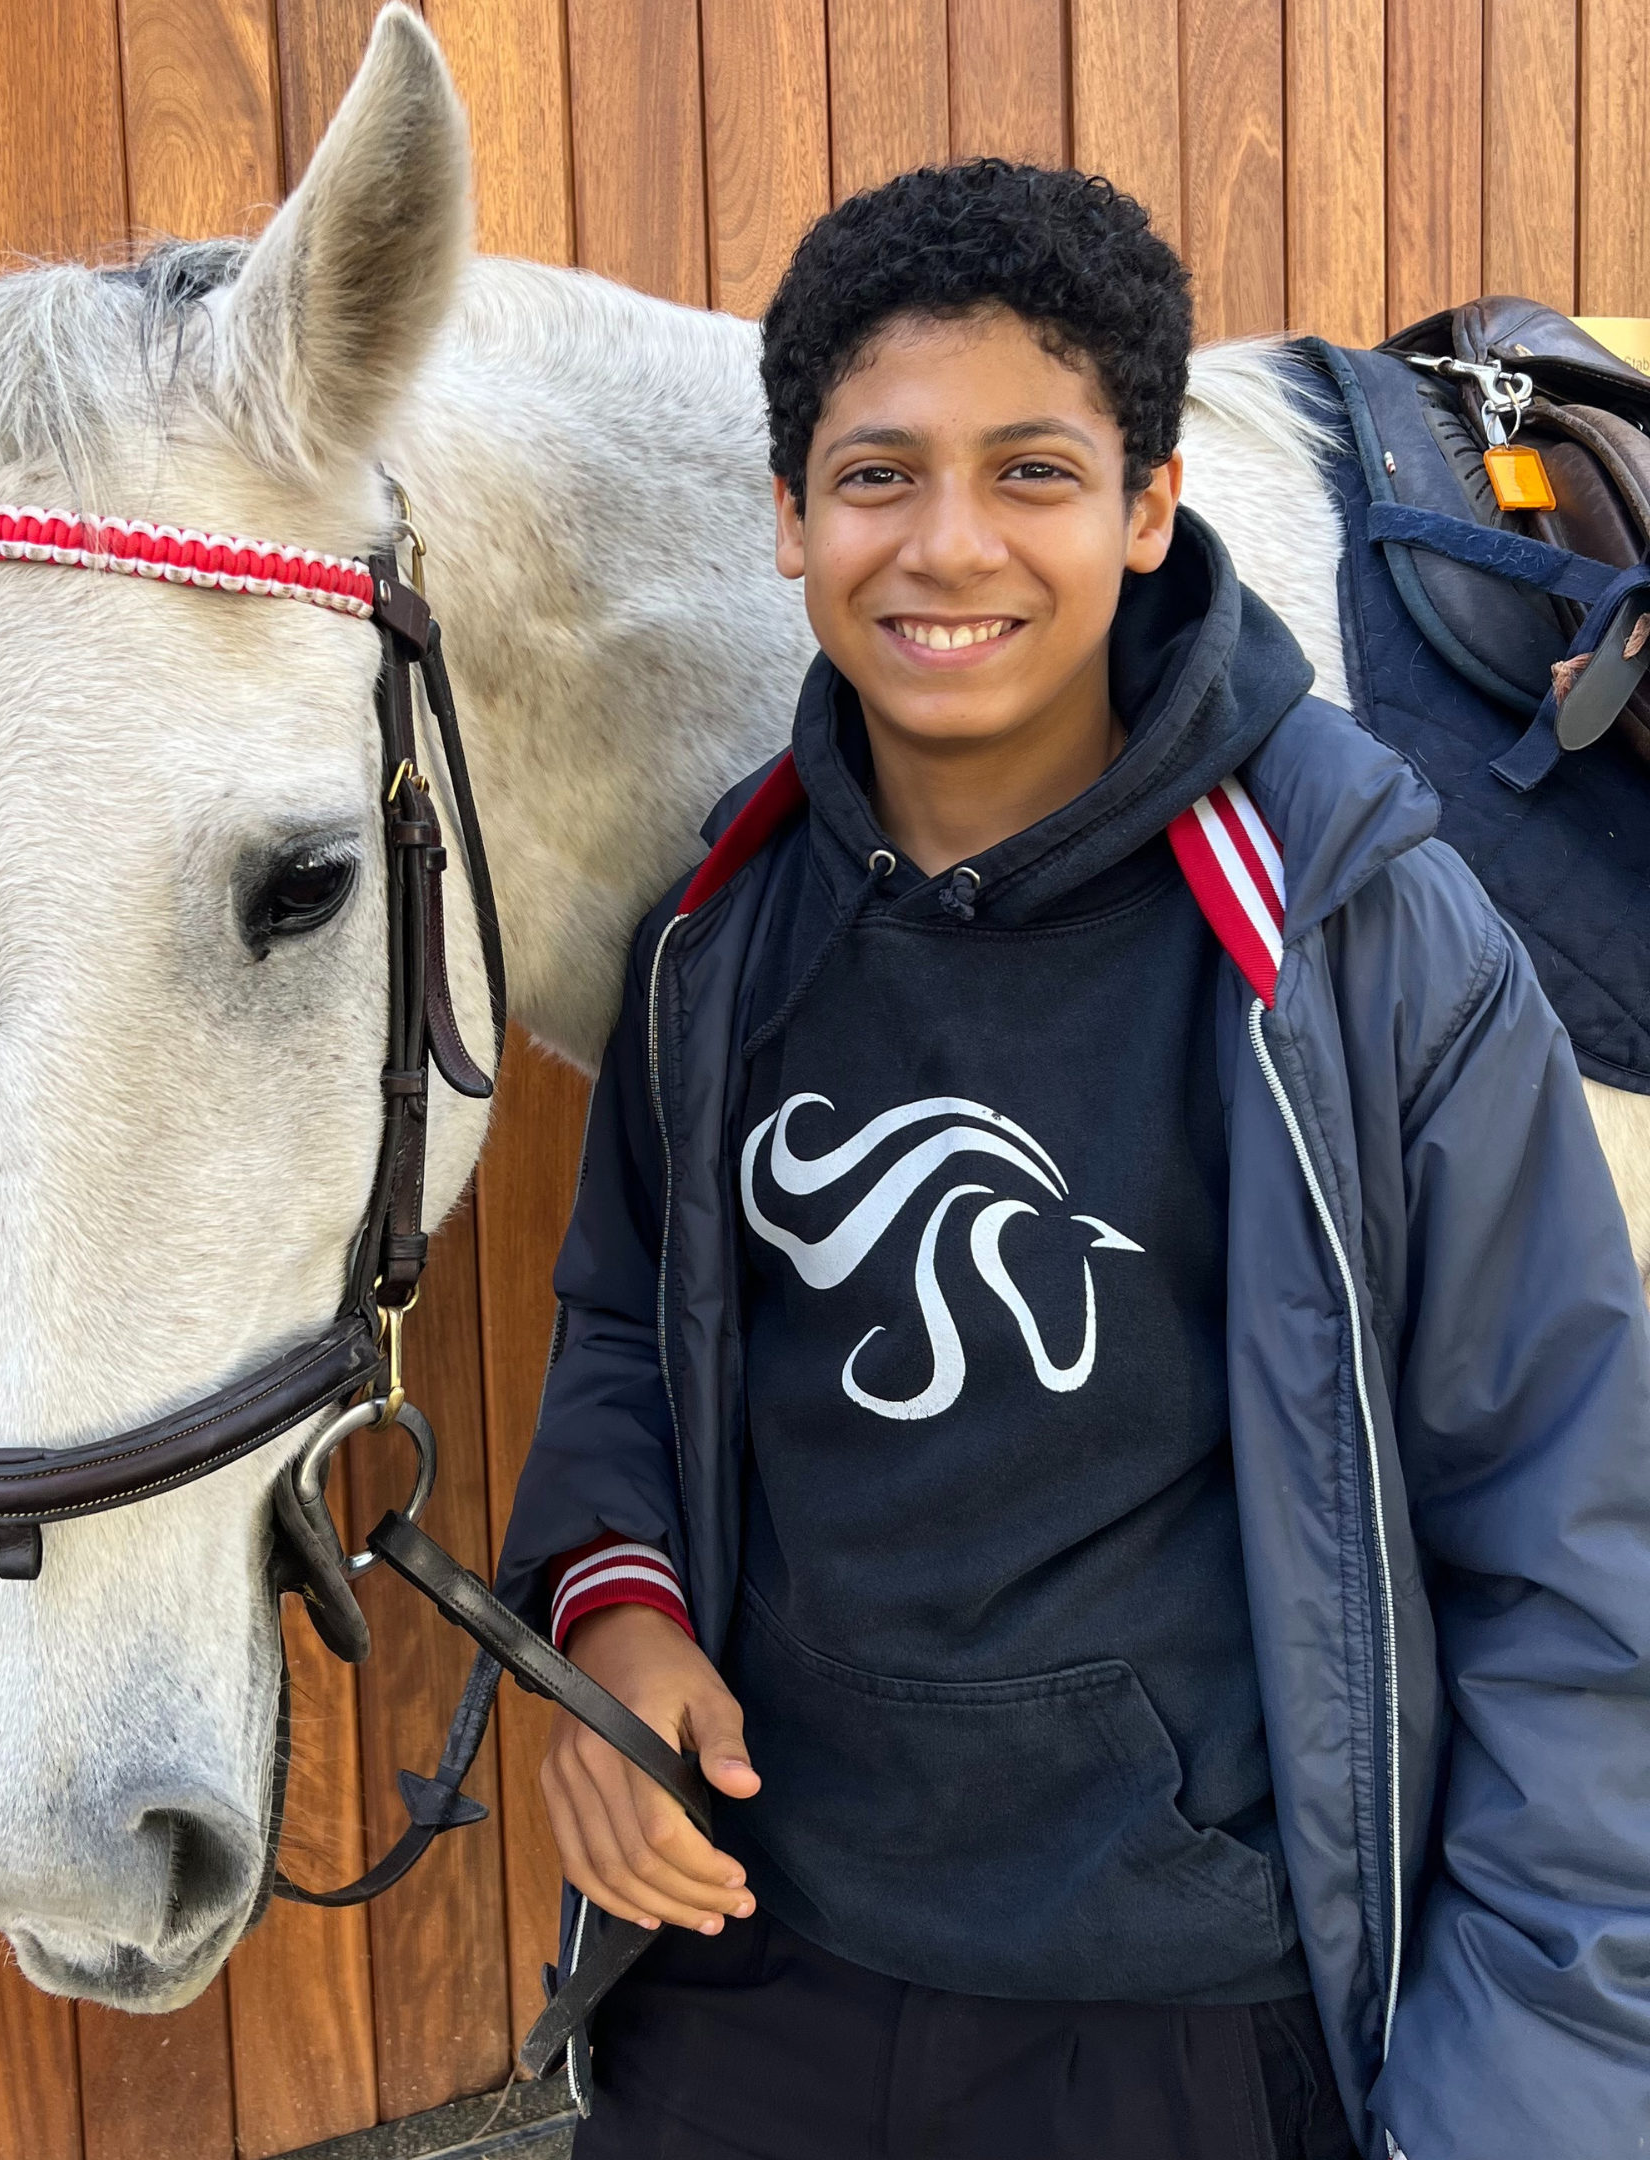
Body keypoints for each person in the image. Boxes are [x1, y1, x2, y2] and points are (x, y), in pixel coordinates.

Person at [494, 161, 1650, 2160]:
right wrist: (612, 1610)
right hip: (755, 1994)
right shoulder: (723, 932)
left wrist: (1529, 2108)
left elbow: (1570, 1557)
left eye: (1033, 472)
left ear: (1146, 504)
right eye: (877, 476)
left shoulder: (1359, 935)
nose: (949, 546)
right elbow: (623, 1322)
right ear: (787, 518)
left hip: (1199, 2033)